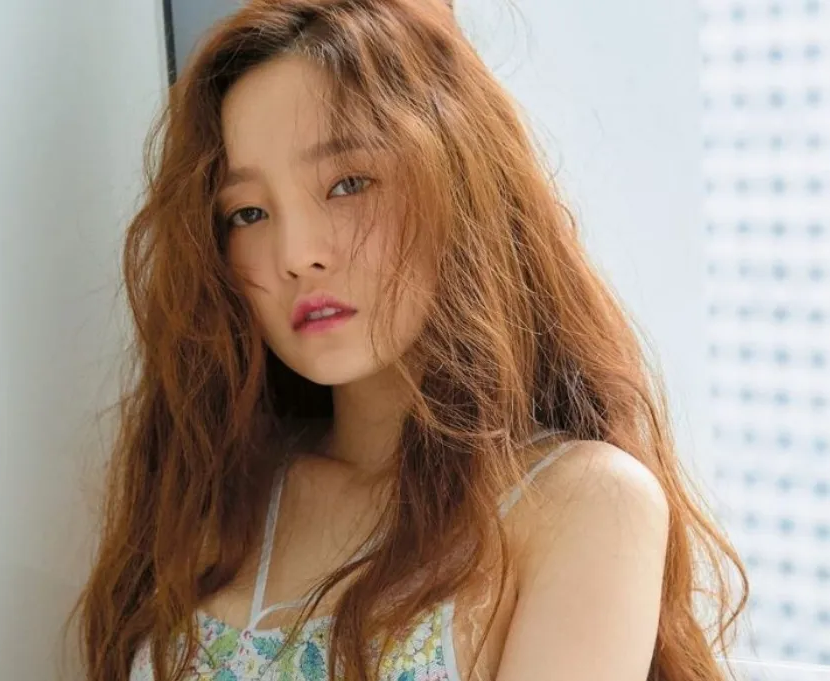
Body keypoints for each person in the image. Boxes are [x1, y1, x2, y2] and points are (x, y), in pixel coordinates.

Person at [65, 0, 748, 679]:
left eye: (347, 184)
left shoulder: (577, 505)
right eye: (247, 213)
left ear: (460, 182)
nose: (297, 254)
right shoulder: (219, 490)